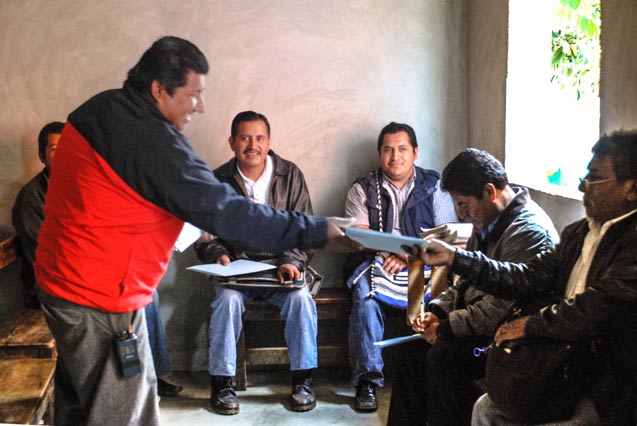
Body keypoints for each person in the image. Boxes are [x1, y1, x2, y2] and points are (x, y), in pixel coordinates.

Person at [33, 36, 354, 426]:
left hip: (64, 286)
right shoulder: (150, 139)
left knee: (84, 409)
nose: (200, 105)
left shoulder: (99, 109)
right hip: (98, 301)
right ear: (159, 90)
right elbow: (230, 213)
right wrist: (319, 230)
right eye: (193, 94)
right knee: (124, 414)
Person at [420, 130, 637, 425]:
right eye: (585, 176)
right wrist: (456, 259)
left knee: (449, 358)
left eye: (595, 177)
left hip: (606, 382)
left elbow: (594, 310)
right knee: (485, 409)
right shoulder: (579, 233)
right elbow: (524, 277)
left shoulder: (629, 243)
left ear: (632, 189)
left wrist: (529, 326)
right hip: (561, 360)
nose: (583, 186)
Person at [386, 148, 559, 426]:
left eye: (464, 204)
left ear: (489, 191)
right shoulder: (489, 221)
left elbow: (499, 310)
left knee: (444, 357)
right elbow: (463, 282)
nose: (462, 214)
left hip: (513, 338)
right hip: (483, 328)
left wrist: (446, 328)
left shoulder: (528, 232)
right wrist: (437, 312)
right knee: (411, 352)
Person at [194, 111, 318, 414]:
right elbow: (205, 235)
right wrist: (217, 255)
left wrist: (291, 260)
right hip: (237, 271)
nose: (253, 145)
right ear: (232, 142)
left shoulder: (291, 175)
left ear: (269, 141)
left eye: (259, 138)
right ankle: (223, 383)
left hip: (281, 271)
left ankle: (303, 381)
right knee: (226, 301)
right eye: (245, 138)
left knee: (301, 299)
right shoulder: (217, 180)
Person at [343, 121, 457, 412]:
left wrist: (408, 254)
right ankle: (367, 380)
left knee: (440, 299)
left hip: (424, 262)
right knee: (365, 301)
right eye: (388, 150)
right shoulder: (363, 188)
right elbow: (359, 236)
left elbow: (448, 235)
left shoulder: (435, 186)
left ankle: (430, 369)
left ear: (415, 152)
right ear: (380, 154)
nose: (395, 157)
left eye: (402, 149)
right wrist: (389, 251)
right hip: (375, 260)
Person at [11, 121, 64, 308]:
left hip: (80, 277)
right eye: (56, 149)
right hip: (51, 286)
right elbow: (45, 254)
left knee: (141, 297)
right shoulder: (31, 197)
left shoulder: (79, 188)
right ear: (42, 156)